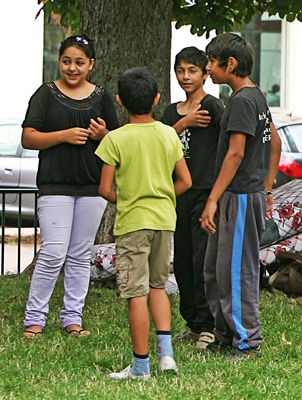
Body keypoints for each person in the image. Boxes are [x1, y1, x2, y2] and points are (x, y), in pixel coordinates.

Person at [21, 34, 121, 339]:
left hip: (92, 186)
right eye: (67, 61)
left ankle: (72, 318)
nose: (72, 68)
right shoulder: (45, 94)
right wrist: (63, 135)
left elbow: (118, 142)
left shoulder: (102, 97)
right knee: (53, 252)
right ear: (59, 61)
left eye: (79, 62)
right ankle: (34, 318)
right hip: (55, 185)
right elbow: (28, 137)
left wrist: (102, 134)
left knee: (80, 255)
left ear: (91, 64)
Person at [97, 67, 192, 379]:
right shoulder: (168, 132)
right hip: (164, 221)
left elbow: (104, 189)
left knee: (135, 293)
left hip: (132, 224)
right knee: (158, 286)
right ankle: (167, 356)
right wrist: (162, 197)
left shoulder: (115, 139)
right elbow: (185, 181)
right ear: (157, 98)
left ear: (120, 101)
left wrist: (128, 199)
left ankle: (141, 366)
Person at [199, 33, 282, 361]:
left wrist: (212, 200)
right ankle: (225, 335)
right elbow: (274, 141)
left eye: (211, 61)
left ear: (229, 64)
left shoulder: (243, 101)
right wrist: (269, 186)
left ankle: (248, 343)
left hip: (239, 198)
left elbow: (235, 154)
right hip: (243, 195)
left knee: (237, 271)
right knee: (215, 270)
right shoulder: (255, 96)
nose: (207, 68)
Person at [158, 46, 224, 350]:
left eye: (192, 70)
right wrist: (183, 124)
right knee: (182, 259)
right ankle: (193, 323)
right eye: (181, 70)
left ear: (205, 74)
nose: (186, 76)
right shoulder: (172, 112)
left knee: (202, 260)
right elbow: (156, 142)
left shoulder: (214, 107)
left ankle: (209, 324)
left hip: (205, 192)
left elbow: (230, 147)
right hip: (177, 193)